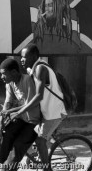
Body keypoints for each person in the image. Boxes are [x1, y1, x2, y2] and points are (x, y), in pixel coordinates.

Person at [15, 43, 67, 171]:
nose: (21, 59)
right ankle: (40, 156)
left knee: (40, 141)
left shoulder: (40, 69)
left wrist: (19, 111)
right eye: (21, 57)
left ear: (33, 56)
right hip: (46, 112)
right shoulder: (33, 69)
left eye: (24, 57)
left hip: (54, 112)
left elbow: (38, 96)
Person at [0, 58, 41, 170]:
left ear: (14, 72)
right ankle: (3, 164)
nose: (1, 77)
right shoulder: (10, 83)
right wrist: (0, 121)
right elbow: (7, 102)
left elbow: (31, 103)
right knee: (7, 133)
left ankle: (10, 166)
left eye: (3, 74)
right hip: (22, 118)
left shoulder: (27, 80)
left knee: (18, 147)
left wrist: (11, 111)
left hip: (33, 121)